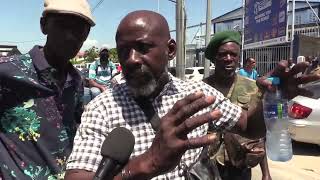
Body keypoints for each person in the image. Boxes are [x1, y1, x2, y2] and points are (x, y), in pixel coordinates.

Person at [64, 10, 320, 180]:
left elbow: (248, 127)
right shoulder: (101, 108)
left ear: (171, 49)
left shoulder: (197, 95)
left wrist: (273, 100)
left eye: (143, 48)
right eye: (123, 50)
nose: (131, 60)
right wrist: (146, 163)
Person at [0, 0, 94, 179]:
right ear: (44, 25)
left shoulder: (76, 81)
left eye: (80, 30)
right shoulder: (7, 72)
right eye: (63, 25)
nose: (71, 36)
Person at [203, 31, 271, 180]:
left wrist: (266, 173)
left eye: (233, 55)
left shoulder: (252, 87)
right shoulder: (202, 89)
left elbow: (258, 134)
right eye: (223, 54)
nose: (229, 59)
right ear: (215, 58)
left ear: (239, 58)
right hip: (208, 167)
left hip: (240, 165)